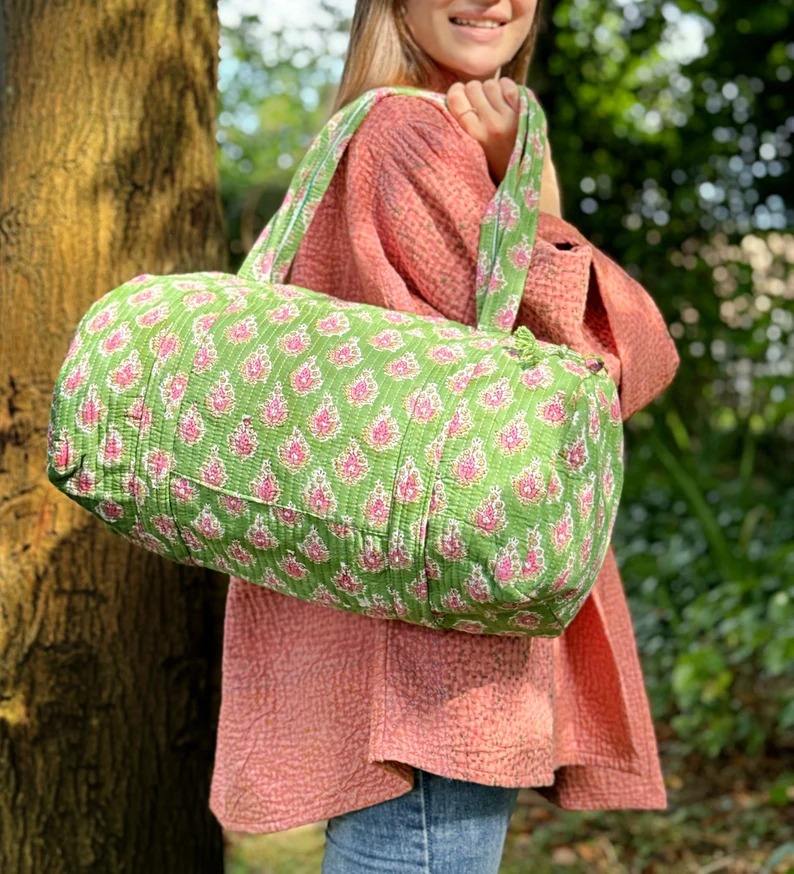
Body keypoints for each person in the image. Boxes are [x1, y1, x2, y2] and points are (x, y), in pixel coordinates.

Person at [210, 1, 681, 871]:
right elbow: (594, 359)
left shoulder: (376, 130)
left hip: (402, 605)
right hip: (438, 636)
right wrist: (535, 191)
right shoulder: (414, 135)